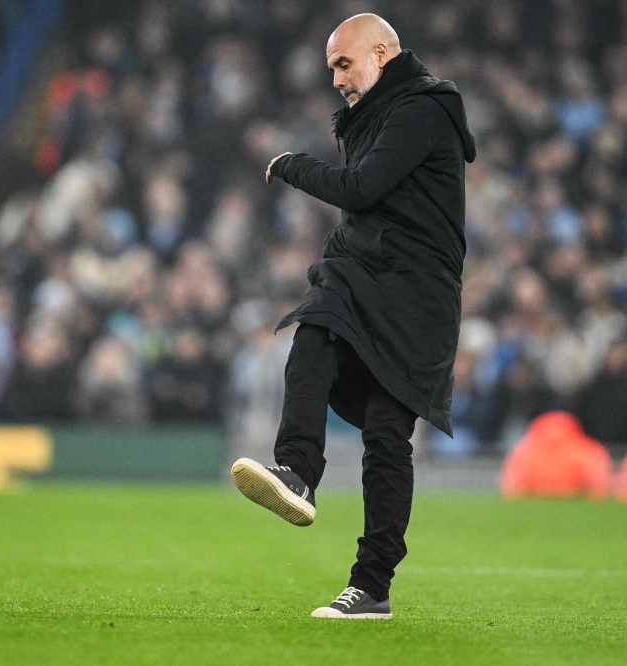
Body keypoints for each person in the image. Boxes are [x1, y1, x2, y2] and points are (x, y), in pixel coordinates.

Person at [230, 14, 476, 620]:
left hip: (418, 297)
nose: (337, 79)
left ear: (383, 53)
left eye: (345, 63)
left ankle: (372, 586)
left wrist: (290, 164)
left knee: (388, 436)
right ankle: (297, 470)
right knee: (312, 330)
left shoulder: (423, 109)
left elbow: (363, 190)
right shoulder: (371, 116)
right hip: (365, 277)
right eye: (331, 68)